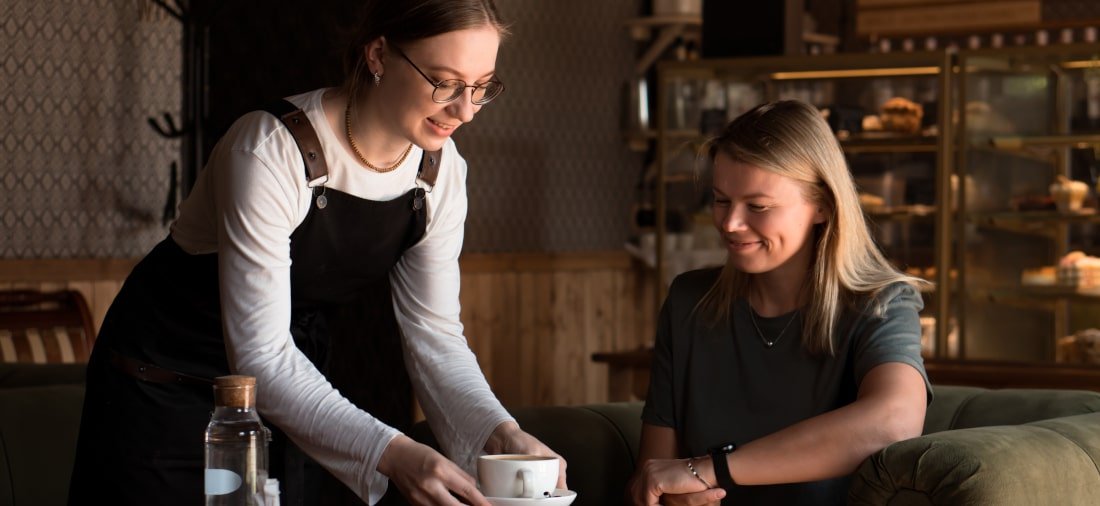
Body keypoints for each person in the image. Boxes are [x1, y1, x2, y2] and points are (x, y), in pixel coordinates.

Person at [68, 1, 565, 505]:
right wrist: (393, 452)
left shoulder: (441, 172)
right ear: (377, 55)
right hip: (162, 389)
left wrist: (499, 434)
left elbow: (435, 336)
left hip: (284, 395)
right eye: (444, 82)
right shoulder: (268, 150)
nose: (465, 110)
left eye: (482, 87)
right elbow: (260, 354)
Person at [628, 100, 931, 505]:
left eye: (758, 206)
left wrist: (710, 469)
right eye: (721, 200)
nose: (731, 224)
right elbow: (654, 477)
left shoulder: (882, 303)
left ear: (822, 204)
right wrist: (673, 498)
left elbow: (895, 421)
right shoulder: (689, 301)